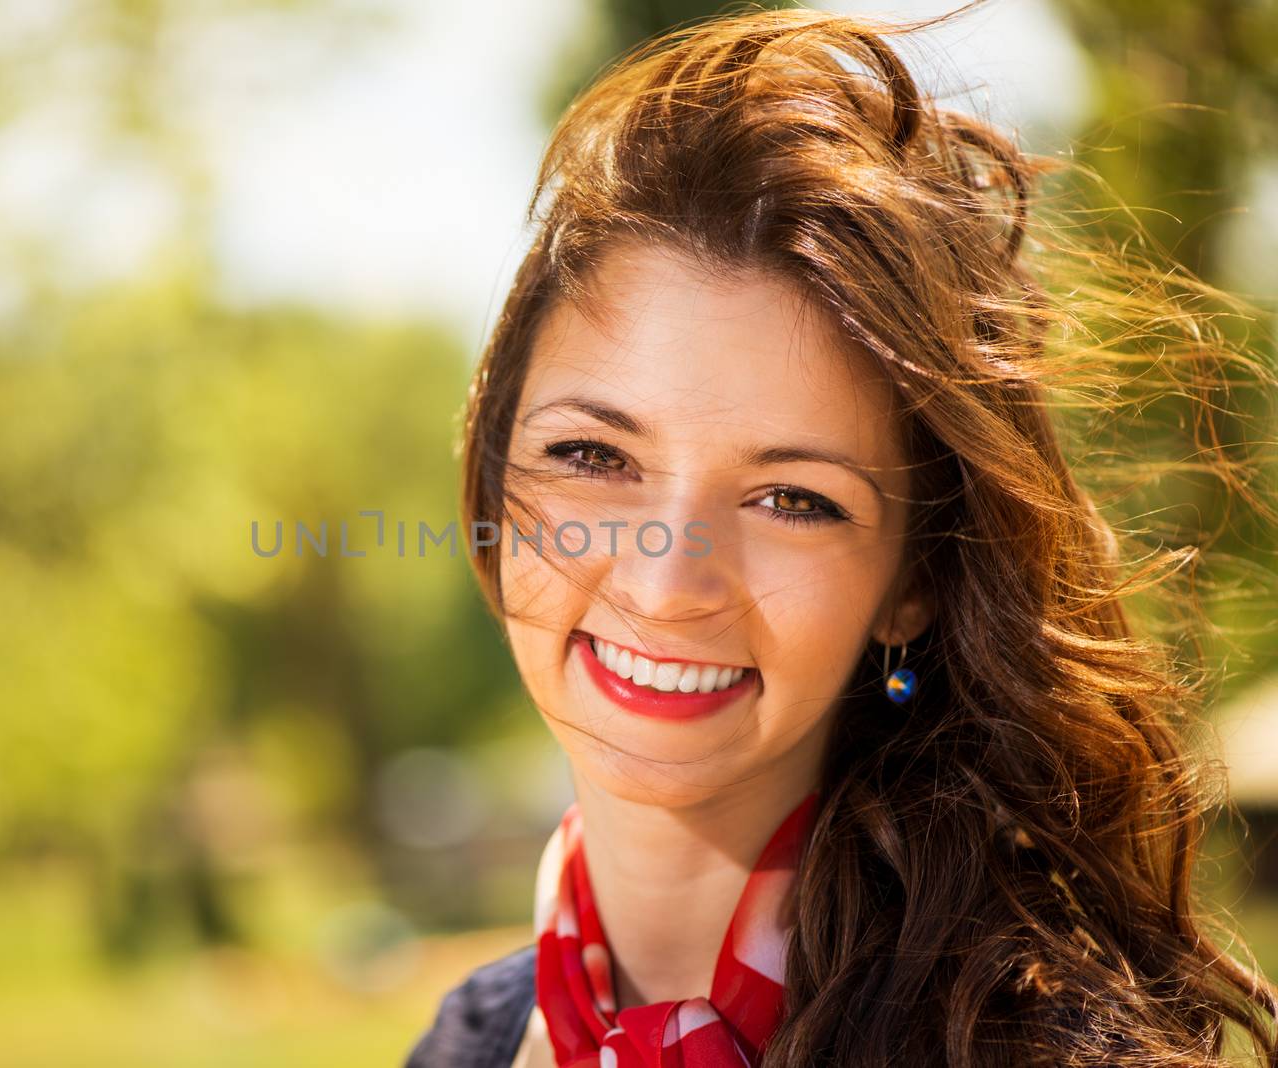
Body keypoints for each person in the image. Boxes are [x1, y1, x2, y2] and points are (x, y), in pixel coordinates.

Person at [405, 5, 1278, 1066]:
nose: (667, 583)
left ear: (911, 578)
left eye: (792, 499)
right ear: (494, 465)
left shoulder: (1033, 1048)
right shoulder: (466, 1044)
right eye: (593, 457)